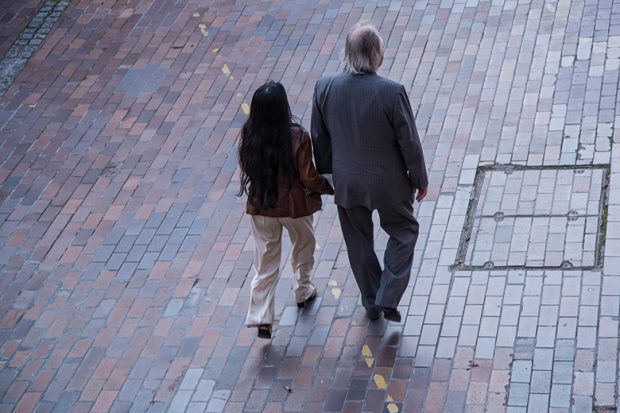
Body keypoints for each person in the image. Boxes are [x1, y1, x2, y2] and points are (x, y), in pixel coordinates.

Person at [311, 22, 428, 322]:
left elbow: (319, 138)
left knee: (358, 242)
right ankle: (388, 295)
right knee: (404, 230)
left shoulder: (324, 87)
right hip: (389, 184)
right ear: (376, 53)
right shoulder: (392, 92)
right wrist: (419, 179)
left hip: (348, 182)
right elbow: (409, 142)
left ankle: (372, 301)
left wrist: (329, 176)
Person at [239, 81, 334, 339]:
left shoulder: (250, 133)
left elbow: (249, 168)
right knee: (304, 246)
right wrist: (328, 186)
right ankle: (303, 290)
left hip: (262, 204)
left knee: (266, 261)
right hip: (295, 206)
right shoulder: (298, 136)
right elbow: (308, 176)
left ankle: (261, 317)